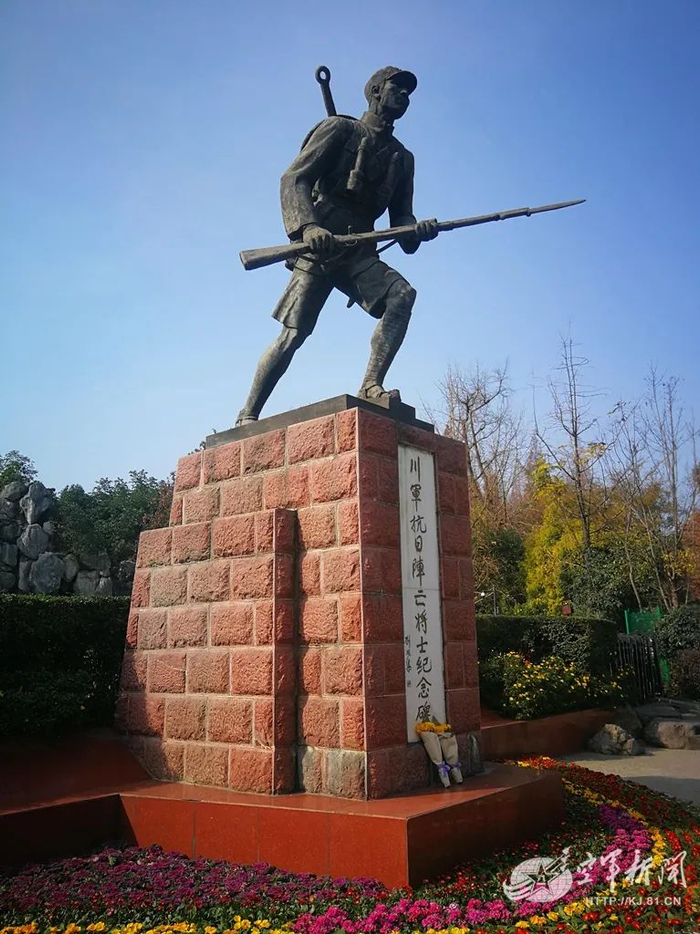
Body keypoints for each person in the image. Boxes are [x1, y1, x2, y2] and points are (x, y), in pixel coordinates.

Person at [236, 66, 438, 426]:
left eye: (409, 92)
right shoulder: (339, 129)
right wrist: (308, 227)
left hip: (359, 252)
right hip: (320, 247)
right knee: (293, 335)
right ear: (375, 91)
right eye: (397, 87)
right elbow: (294, 178)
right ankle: (247, 413)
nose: (404, 96)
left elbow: (401, 219)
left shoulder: (403, 158)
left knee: (402, 295)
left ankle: (371, 385)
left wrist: (416, 230)